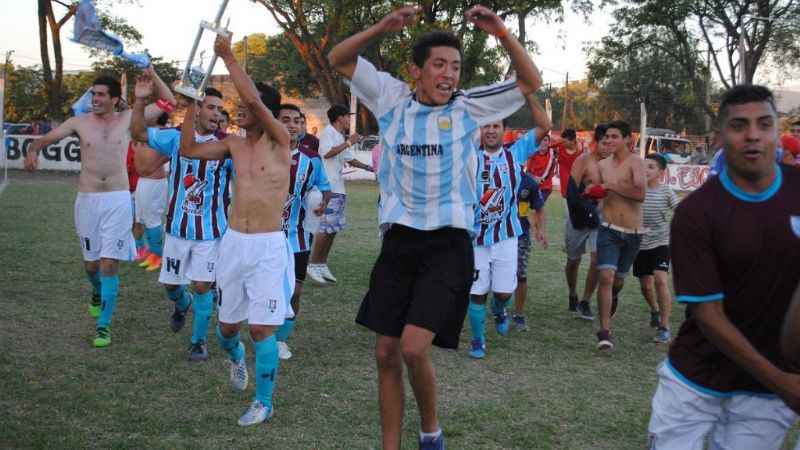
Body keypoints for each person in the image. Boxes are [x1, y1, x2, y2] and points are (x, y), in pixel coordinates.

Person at [329, 5, 543, 449]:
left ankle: (431, 431)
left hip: (449, 243)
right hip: (399, 242)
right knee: (385, 353)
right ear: (416, 71)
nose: (449, 74)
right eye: (439, 64)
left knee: (411, 347)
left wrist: (502, 31)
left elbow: (531, 81)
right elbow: (339, 59)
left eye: (456, 66)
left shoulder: (470, 107)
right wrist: (381, 28)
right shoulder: (391, 98)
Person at [647, 84, 800, 449]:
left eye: (764, 124)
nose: (752, 135)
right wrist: (782, 381)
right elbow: (707, 314)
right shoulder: (696, 213)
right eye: (738, 125)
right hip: (696, 376)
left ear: (778, 131)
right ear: (719, 137)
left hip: (766, 392)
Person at [180, 33, 294, 427]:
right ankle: (235, 356)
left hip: (267, 246)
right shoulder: (233, 144)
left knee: (262, 327)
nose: (239, 110)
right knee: (227, 329)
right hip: (232, 244)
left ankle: (264, 401)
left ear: (263, 110)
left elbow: (256, 101)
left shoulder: (281, 140)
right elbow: (189, 151)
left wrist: (227, 56)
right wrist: (191, 103)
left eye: (247, 105)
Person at [24, 67, 174, 348]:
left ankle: (103, 326)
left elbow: (169, 102)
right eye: (93, 93)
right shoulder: (79, 122)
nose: (95, 98)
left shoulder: (129, 119)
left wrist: (153, 76)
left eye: (101, 94)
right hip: (88, 200)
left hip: (117, 200)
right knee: (91, 266)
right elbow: (49, 138)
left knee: (108, 263)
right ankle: (96, 291)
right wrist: (34, 149)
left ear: (115, 99)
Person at [131, 78, 230, 362]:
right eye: (210, 107)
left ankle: (198, 341)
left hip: (210, 233)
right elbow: (137, 131)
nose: (216, 114)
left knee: (202, 285)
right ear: (196, 110)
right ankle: (181, 303)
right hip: (177, 230)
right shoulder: (175, 138)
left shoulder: (228, 147)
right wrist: (140, 100)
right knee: (172, 287)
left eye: (219, 109)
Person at [467, 97, 550, 358]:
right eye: (486, 126)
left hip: (506, 238)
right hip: (475, 239)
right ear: (480, 130)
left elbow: (544, 125)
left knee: (503, 293)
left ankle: (500, 308)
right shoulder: (469, 158)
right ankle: (478, 341)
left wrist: (528, 95)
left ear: (504, 130)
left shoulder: (516, 153)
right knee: (476, 292)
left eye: (496, 126)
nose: (491, 130)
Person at [275, 103, 332, 360]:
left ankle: (279, 340)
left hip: (297, 237)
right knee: (268, 290)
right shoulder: (262, 153)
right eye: (285, 120)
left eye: (296, 121)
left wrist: (323, 203)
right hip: (265, 237)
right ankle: (261, 332)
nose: (292, 125)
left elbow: (326, 188)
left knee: (295, 291)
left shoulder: (312, 159)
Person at [587, 120, 646, 350]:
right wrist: (592, 197)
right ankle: (605, 332)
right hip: (608, 229)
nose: (609, 141)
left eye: (614, 137)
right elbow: (604, 198)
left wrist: (611, 186)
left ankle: (615, 296)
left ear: (627, 139)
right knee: (606, 277)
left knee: (618, 281)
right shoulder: (602, 165)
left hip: (633, 232)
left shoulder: (636, 163)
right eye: (607, 137)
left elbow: (640, 193)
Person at [306, 104, 373, 284]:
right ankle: (313, 264)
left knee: (333, 229)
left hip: (339, 188)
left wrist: (369, 167)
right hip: (330, 189)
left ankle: (321, 264)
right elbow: (327, 154)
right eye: (347, 116)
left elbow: (348, 158)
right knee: (326, 228)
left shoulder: (338, 136)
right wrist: (349, 142)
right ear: (340, 118)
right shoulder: (328, 132)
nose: (349, 119)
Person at [563, 124, 612, 320]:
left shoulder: (615, 164)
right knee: (573, 261)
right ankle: (573, 294)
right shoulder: (584, 161)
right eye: (604, 143)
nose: (608, 148)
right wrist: (585, 210)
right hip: (579, 215)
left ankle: (585, 301)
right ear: (596, 142)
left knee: (597, 259)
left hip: (601, 217)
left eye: (611, 144)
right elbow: (572, 191)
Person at [632, 153, 678, 344]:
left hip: (661, 242)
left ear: (661, 172)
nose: (645, 170)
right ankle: (655, 310)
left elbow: (681, 209)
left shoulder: (666, 191)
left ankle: (664, 327)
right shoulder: (634, 191)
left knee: (660, 279)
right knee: (645, 285)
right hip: (639, 243)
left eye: (650, 167)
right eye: (644, 166)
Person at [133, 112, 169, 272]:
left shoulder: (163, 132)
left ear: (155, 117)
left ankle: (158, 257)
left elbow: (171, 151)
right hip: (143, 181)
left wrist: (154, 166)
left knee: (152, 220)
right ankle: (147, 253)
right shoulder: (145, 131)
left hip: (154, 182)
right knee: (140, 219)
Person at [553, 128, 583, 203]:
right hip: (565, 189)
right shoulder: (560, 147)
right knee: (568, 213)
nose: (563, 144)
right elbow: (547, 146)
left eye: (565, 142)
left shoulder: (581, 149)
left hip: (579, 188)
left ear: (573, 141)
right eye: (562, 142)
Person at [525, 134, 556, 202]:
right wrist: (535, 177)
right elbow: (527, 172)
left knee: (536, 209)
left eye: (545, 140)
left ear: (549, 142)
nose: (543, 142)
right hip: (533, 186)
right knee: (534, 210)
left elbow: (564, 143)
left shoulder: (553, 152)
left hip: (545, 187)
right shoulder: (533, 154)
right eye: (540, 140)